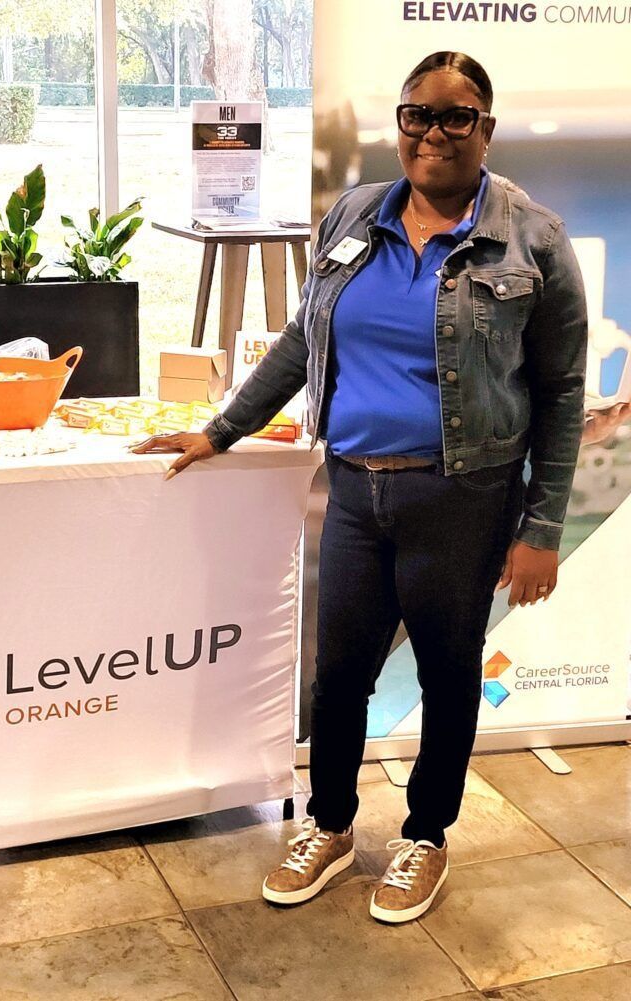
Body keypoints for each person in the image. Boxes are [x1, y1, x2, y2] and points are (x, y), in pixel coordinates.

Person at [133, 51, 587, 923]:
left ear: (485, 128)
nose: (433, 133)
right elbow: (304, 343)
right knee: (339, 671)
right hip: (355, 491)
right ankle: (331, 822)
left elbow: (563, 392)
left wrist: (542, 526)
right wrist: (222, 427)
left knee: (450, 671)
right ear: (400, 122)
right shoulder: (352, 215)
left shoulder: (535, 238)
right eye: (417, 114)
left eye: (456, 117)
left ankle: (426, 833)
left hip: (463, 496)